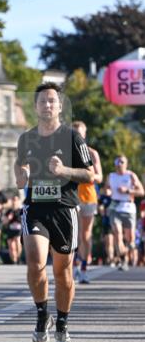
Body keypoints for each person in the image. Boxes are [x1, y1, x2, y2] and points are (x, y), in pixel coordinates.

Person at [15, 82, 94, 342]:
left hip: (65, 210)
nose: (47, 105)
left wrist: (65, 172)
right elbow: (19, 170)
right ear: (35, 106)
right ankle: (41, 315)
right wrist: (21, 175)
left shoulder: (72, 137)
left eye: (52, 101)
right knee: (35, 262)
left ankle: (62, 323)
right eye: (42, 101)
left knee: (63, 272)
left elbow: (89, 175)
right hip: (36, 208)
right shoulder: (26, 138)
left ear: (60, 106)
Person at [71, 121, 103, 283]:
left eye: (80, 133)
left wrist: (87, 175)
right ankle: (74, 266)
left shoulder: (92, 153)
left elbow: (99, 177)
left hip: (89, 197)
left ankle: (83, 268)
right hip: (72, 196)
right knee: (74, 233)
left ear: (84, 134)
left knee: (85, 234)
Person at [105, 155, 144, 269]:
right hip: (115, 207)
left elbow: (141, 191)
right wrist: (107, 191)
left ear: (126, 164)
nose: (119, 164)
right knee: (117, 234)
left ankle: (125, 254)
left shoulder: (131, 175)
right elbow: (106, 188)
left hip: (128, 207)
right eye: (118, 162)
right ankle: (123, 260)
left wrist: (127, 190)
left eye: (122, 162)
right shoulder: (111, 176)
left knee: (130, 239)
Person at [3, 192, 24, 265]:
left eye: (16, 200)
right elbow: (4, 222)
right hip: (10, 230)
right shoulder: (9, 211)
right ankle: (14, 261)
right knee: (11, 247)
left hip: (19, 230)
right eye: (13, 200)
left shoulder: (22, 210)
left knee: (18, 243)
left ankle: (18, 258)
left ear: (18, 201)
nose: (14, 201)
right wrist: (8, 219)